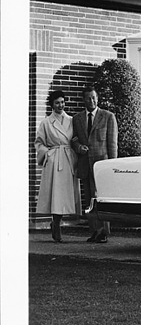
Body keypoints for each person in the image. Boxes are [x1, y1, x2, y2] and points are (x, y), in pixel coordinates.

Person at [72, 86, 118, 243]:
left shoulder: (108, 117)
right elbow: (74, 139)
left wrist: (112, 166)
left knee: (101, 199)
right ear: (83, 100)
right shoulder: (77, 119)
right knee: (89, 200)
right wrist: (79, 147)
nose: (91, 101)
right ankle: (94, 231)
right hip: (85, 164)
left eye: (94, 98)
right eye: (88, 98)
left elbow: (112, 144)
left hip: (102, 165)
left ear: (97, 99)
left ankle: (103, 232)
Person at [34, 90, 81, 242]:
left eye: (62, 102)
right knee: (56, 194)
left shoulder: (71, 120)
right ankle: (57, 224)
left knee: (65, 194)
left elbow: (75, 139)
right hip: (54, 160)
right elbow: (39, 143)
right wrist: (47, 154)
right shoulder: (46, 122)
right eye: (57, 103)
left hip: (67, 159)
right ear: (52, 105)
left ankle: (56, 223)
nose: (60, 105)